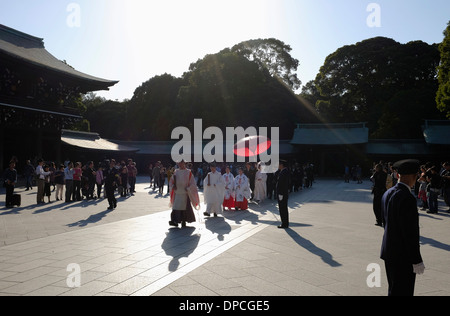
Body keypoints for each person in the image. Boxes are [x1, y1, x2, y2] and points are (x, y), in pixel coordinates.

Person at [380, 159, 425, 296]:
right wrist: (416, 259)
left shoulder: (387, 193)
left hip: (389, 250)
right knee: (403, 291)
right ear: (414, 176)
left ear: (398, 175)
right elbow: (410, 232)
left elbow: (385, 222)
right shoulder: (407, 198)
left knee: (394, 289)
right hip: (402, 255)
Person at [169, 160, 199, 228]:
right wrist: (173, 186)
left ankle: (184, 220)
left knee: (185, 207)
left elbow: (193, 183)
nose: (180, 164)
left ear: (184, 163)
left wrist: (189, 188)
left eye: (181, 163)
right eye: (179, 163)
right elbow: (171, 181)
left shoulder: (188, 172)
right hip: (178, 192)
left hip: (185, 192)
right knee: (176, 206)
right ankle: (175, 220)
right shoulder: (175, 172)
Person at [276, 160, 290, 229]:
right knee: (283, 208)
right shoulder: (283, 171)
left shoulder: (284, 172)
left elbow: (283, 184)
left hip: (282, 193)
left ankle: (284, 223)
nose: (278, 166)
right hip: (283, 193)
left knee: (283, 209)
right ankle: (285, 223)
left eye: (279, 164)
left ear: (281, 165)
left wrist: (281, 194)